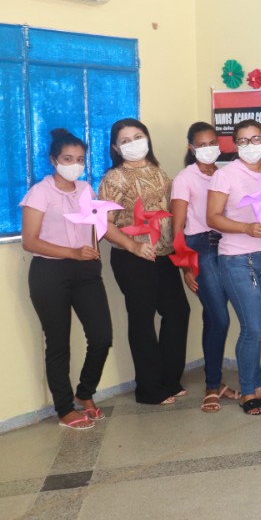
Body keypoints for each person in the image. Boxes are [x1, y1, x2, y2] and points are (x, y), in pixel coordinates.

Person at [20, 129, 113, 429]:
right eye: (68, 159)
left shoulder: (86, 189)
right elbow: (30, 241)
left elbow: (95, 226)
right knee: (58, 343)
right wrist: (72, 253)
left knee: (102, 337)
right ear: (53, 160)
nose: (75, 165)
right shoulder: (40, 192)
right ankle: (64, 409)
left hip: (86, 272)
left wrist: (99, 239)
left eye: (80, 159)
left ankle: (84, 393)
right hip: (50, 273)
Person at [100, 118, 190, 405]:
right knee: (142, 321)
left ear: (147, 138)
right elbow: (103, 224)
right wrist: (134, 246)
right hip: (133, 258)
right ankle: (149, 389)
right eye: (125, 141)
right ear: (116, 147)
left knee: (178, 312)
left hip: (164, 256)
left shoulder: (157, 170)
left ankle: (170, 380)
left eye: (138, 137)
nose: (133, 144)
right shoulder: (114, 178)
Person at [207, 119, 261, 416]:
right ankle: (247, 390)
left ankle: (257, 385)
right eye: (243, 141)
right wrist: (246, 228)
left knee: (256, 328)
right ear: (235, 145)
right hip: (237, 258)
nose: (250, 145)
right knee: (252, 328)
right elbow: (212, 217)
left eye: (255, 139)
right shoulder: (225, 175)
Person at [170, 122, 237, 413]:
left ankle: (215, 382)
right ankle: (211, 386)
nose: (208, 149)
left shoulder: (223, 174)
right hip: (200, 247)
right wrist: (185, 266)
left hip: (225, 245)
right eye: (202, 144)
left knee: (213, 316)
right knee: (220, 318)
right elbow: (177, 227)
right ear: (191, 148)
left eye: (213, 143)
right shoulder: (185, 178)